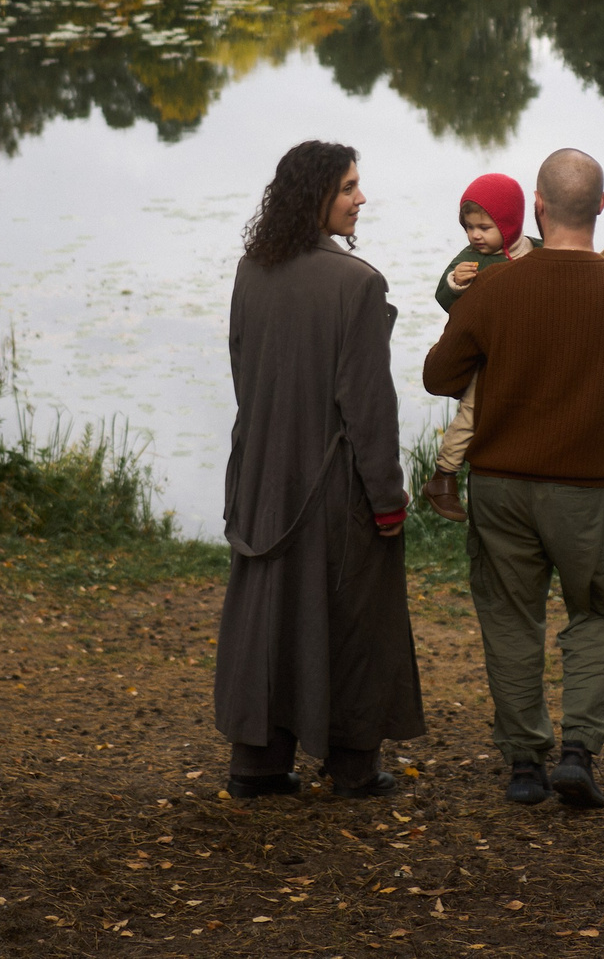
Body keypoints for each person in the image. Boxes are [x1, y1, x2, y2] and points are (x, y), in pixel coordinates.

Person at [422, 147, 604, 810]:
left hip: (500, 487)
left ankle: (526, 764)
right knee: (598, 612)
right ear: (602, 205)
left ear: (536, 206)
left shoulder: (492, 287)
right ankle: (578, 752)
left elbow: (439, 377)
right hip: (587, 490)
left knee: (510, 617)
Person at [214, 140, 425, 800]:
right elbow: (368, 407)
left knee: (270, 611)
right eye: (348, 187)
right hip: (333, 486)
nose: (361, 198)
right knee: (356, 614)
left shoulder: (252, 268)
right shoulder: (358, 283)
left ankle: (258, 764)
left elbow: (243, 373)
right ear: (316, 197)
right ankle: (354, 768)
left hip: (262, 477)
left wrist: (255, 468)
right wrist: (387, 498)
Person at [419, 174, 536, 524]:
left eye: (484, 227)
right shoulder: (470, 260)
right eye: (469, 227)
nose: (475, 235)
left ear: (510, 223)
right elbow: (444, 298)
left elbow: (567, 266)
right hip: (486, 359)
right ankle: (444, 475)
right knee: (471, 411)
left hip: (526, 355)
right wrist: (455, 282)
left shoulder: (537, 249)